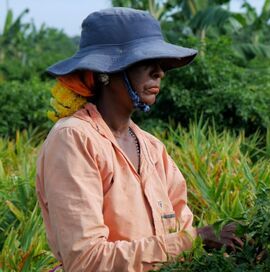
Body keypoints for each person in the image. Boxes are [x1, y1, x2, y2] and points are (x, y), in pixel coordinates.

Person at [36, 7, 243, 272]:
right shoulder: (74, 139)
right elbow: (86, 260)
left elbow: (180, 233)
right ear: (105, 72)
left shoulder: (152, 148)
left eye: (160, 63)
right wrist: (197, 239)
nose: (159, 72)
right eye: (145, 62)